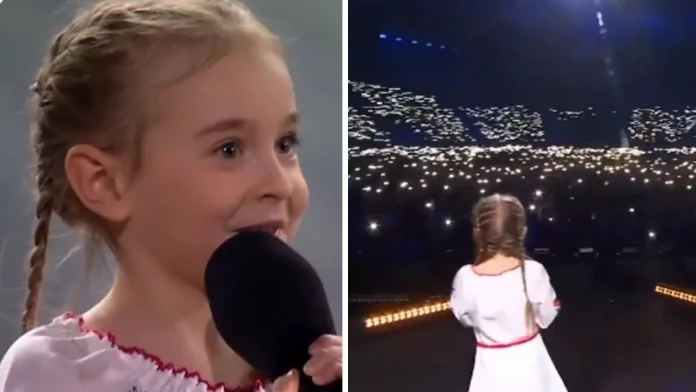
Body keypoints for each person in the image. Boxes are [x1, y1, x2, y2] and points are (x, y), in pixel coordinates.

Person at [0, 1, 341, 391]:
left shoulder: (308, 363)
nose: (279, 183)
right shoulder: (56, 373)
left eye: (285, 144)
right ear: (104, 181)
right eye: (229, 149)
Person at [450, 194, 566, 392]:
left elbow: (464, 317)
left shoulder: (465, 277)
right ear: (522, 232)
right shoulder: (533, 271)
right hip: (531, 365)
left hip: (489, 368)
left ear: (478, 234)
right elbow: (546, 316)